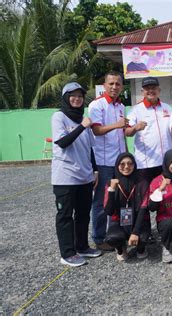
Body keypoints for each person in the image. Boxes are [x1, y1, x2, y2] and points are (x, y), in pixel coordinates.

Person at [52, 82, 102, 267]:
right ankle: (67, 253)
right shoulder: (59, 117)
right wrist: (82, 126)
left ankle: (82, 247)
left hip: (85, 176)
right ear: (66, 98)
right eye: (72, 95)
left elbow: (90, 149)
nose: (76, 99)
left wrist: (95, 171)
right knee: (65, 215)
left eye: (80, 96)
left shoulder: (83, 118)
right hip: (65, 176)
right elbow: (63, 142)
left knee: (83, 214)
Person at [88, 71, 128, 251]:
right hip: (104, 162)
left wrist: (126, 154)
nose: (114, 87)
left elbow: (122, 134)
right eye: (111, 84)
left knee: (120, 199)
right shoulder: (96, 105)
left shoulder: (121, 106)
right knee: (101, 201)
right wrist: (116, 126)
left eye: (117, 84)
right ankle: (98, 237)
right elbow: (96, 131)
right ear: (104, 85)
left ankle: (117, 233)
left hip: (120, 162)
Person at [103, 153, 151, 261]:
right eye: (122, 164)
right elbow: (109, 211)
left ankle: (141, 249)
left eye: (130, 164)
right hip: (119, 222)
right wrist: (112, 190)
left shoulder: (142, 183)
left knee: (143, 237)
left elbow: (143, 209)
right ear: (117, 165)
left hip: (139, 220)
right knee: (112, 238)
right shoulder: (110, 183)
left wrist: (135, 232)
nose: (126, 167)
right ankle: (120, 249)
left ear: (134, 165)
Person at [125, 77, 172, 184]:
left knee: (165, 195)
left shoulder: (167, 108)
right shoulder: (136, 110)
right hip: (145, 163)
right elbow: (127, 132)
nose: (151, 91)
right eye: (147, 88)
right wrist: (135, 128)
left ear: (159, 90)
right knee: (146, 196)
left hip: (166, 162)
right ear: (142, 92)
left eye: (154, 88)